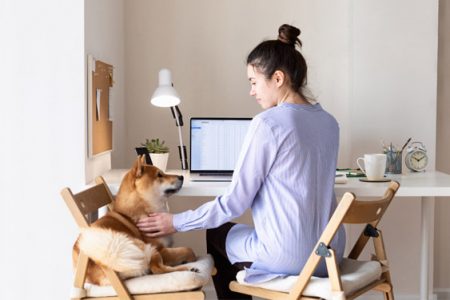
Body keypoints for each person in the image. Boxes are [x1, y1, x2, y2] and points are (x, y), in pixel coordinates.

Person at [137, 24, 346, 299]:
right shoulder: (329, 123)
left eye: (253, 82)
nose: (252, 91)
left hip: (290, 258)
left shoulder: (268, 123)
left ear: (278, 78)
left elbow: (235, 202)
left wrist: (177, 221)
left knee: (216, 231)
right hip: (330, 255)